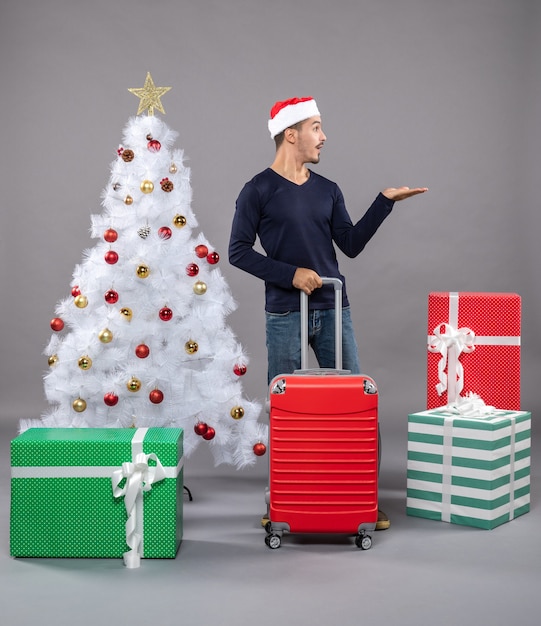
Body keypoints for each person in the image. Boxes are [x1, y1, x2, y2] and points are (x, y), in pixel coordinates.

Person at [228, 96, 427, 531]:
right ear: (291, 133)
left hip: (334, 309)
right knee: (287, 409)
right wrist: (290, 274)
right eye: (316, 127)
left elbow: (350, 244)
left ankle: (361, 499)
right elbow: (238, 251)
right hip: (284, 313)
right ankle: (283, 497)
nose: (324, 136)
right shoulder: (257, 189)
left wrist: (384, 202)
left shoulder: (328, 189)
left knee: (358, 404)